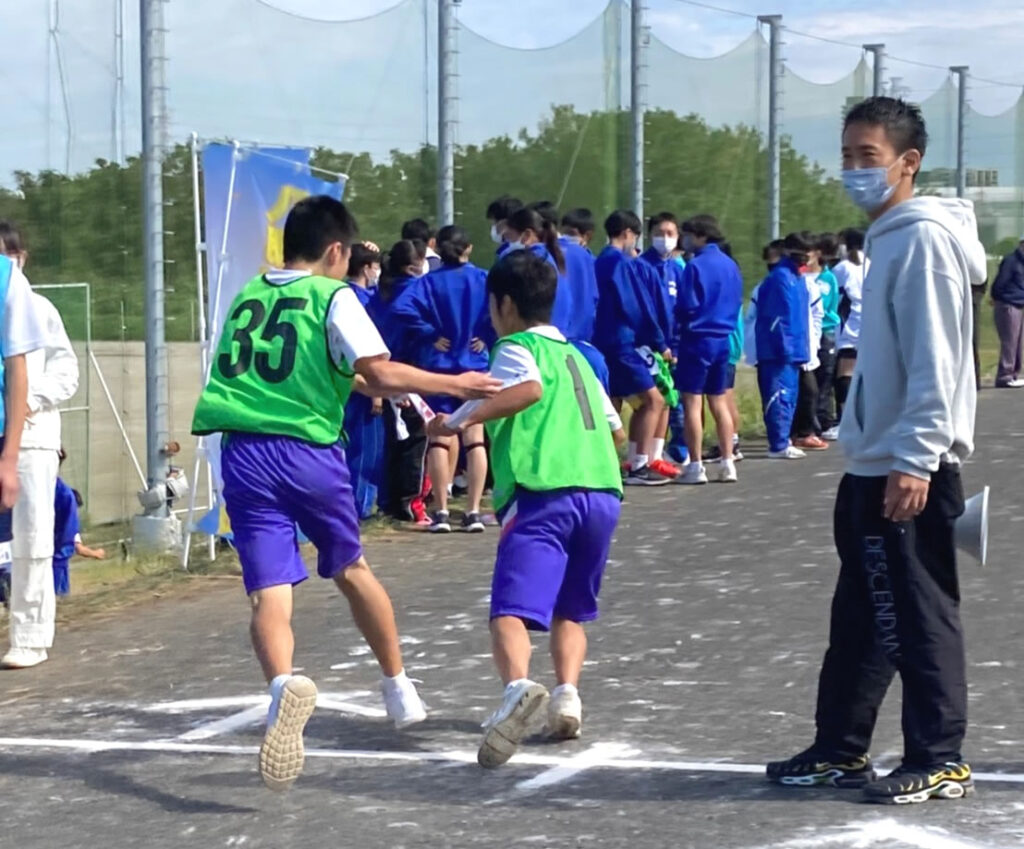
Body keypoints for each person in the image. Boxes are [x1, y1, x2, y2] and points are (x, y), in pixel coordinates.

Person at [191, 196, 500, 791]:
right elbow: (378, 370)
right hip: (307, 452)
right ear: (337, 251)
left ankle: (283, 686)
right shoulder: (331, 296)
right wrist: (450, 382)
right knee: (351, 567)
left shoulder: (250, 295)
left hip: (244, 454)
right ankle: (398, 685)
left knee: (269, 590)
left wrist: (388, 391)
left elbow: (327, 371)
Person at [768, 96, 986, 805]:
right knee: (863, 613)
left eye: (870, 156)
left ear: (907, 162)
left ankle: (939, 753)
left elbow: (938, 358)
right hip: (872, 460)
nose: (856, 170)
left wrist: (916, 456)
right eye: (849, 156)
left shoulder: (922, 240)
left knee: (917, 611)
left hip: (908, 463)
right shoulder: (889, 235)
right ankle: (840, 748)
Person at [426, 251, 624, 768]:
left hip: (544, 489)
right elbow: (616, 428)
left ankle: (517, 688)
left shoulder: (515, 347)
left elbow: (525, 391)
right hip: (601, 491)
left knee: (510, 610)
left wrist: (454, 421)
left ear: (504, 304)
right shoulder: (579, 357)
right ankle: (567, 696)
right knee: (571, 607)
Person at [388, 225, 492, 533]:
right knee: (475, 440)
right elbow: (501, 308)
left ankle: (442, 510)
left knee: (439, 437)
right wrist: (485, 336)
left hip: (440, 368)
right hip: (474, 365)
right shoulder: (483, 279)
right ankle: (473, 511)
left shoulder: (428, 282)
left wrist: (430, 333)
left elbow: (401, 307)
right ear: (468, 248)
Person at [0, 223, 68, 670]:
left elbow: (66, 372)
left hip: (34, 436)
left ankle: (29, 635)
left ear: (20, 256)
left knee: (32, 537)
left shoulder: (39, 306)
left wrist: (28, 403)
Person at [594, 210, 671, 486]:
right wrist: (658, 341)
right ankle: (638, 465)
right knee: (654, 400)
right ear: (627, 233)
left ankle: (605, 464)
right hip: (621, 342)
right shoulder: (619, 263)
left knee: (612, 403)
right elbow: (635, 305)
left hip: (601, 342)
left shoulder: (598, 261)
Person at [673, 214, 744, 484]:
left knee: (692, 402)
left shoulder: (695, 266)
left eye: (688, 234)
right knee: (719, 400)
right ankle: (728, 461)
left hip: (697, 338)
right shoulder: (730, 265)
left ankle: (696, 465)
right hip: (723, 339)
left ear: (699, 235)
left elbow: (687, 305)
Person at [371, 240, 432, 525]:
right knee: (416, 439)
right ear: (413, 266)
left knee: (396, 440)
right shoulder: (416, 292)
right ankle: (411, 501)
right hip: (409, 371)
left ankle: (392, 501)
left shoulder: (378, 293)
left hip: (381, 372)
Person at [638, 212, 688, 472]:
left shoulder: (675, 269)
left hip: (671, 349)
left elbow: (680, 311)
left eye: (670, 233)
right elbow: (645, 312)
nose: (665, 238)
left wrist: (676, 347)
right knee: (649, 401)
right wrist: (659, 344)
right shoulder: (643, 267)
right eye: (659, 233)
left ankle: (657, 455)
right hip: (648, 347)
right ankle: (640, 458)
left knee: (668, 400)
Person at [754, 233, 811, 460]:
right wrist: (784, 347)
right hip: (778, 351)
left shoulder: (798, 278)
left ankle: (783, 439)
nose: (807, 257)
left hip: (795, 349)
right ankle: (777, 444)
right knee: (778, 395)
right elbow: (778, 317)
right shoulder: (780, 278)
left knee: (791, 396)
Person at [343, 242, 385, 520]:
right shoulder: (362, 301)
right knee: (365, 451)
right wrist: (376, 391)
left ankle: (356, 504)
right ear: (367, 268)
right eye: (375, 265)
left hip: (346, 384)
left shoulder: (341, 295)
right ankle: (360, 507)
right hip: (364, 387)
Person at [792, 238, 828, 452]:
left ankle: (803, 431)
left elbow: (818, 314)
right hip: (791, 346)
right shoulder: (788, 280)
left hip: (807, 347)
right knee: (802, 390)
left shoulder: (813, 283)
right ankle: (797, 433)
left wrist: (814, 339)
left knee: (810, 389)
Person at [832, 228, 868, 424]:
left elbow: (833, 295)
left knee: (845, 372)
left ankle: (846, 420)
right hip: (869, 323)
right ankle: (862, 415)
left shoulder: (843, 268)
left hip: (849, 325)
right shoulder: (870, 264)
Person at [52, 469, 106, 597]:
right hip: (58, 563)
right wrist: (96, 553)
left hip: (53, 559)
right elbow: (79, 548)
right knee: (59, 595)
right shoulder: (68, 522)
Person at [814, 233, 842, 439]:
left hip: (825, 331)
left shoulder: (827, 277)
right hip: (813, 332)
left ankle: (823, 420)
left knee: (824, 378)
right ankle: (815, 419)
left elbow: (824, 306)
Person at [990, 235, 1024, 388]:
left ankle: (1013, 373)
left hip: (1019, 304)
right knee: (1009, 342)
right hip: (1008, 305)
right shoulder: (1011, 261)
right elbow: (999, 284)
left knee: (1018, 342)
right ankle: (1004, 375)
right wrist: (999, 299)